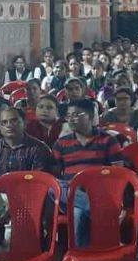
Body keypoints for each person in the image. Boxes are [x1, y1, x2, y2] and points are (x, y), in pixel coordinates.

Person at [51, 99, 124, 247]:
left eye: (76, 115)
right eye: (69, 115)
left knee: (78, 214)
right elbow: (55, 174)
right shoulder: (61, 143)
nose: (71, 119)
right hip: (72, 193)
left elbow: (119, 174)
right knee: (53, 187)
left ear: (91, 116)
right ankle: (103, 212)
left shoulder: (108, 140)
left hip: (99, 192)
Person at [0, 107, 52, 187]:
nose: (9, 125)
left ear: (24, 123)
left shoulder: (38, 148)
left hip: (30, 194)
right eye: (4, 122)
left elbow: (39, 181)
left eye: (14, 121)